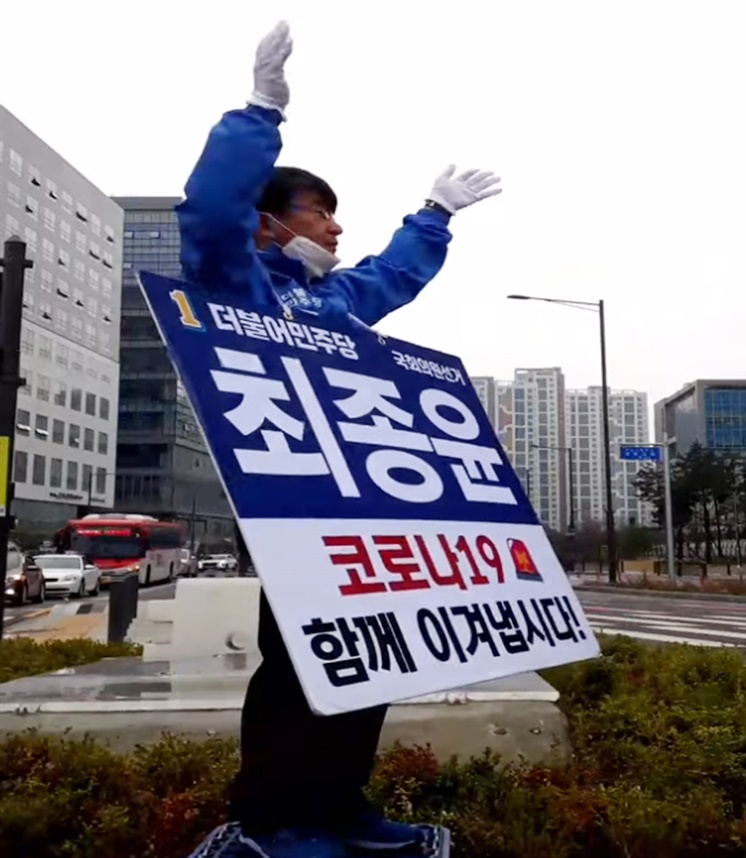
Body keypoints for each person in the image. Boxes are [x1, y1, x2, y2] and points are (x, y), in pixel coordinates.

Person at [176, 21, 501, 858]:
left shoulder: (335, 303)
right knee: (298, 662)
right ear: (269, 225)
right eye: (322, 214)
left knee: (368, 651)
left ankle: (341, 804)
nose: (335, 231)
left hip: (362, 498)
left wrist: (433, 214)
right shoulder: (237, 283)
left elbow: (392, 274)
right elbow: (212, 212)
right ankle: (273, 819)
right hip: (287, 497)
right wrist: (261, 109)